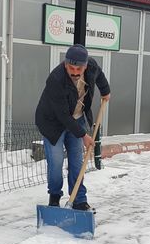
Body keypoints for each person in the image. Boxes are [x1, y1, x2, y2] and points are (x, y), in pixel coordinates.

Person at [35, 44, 111, 212]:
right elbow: (62, 115)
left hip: (77, 119)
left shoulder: (91, 66)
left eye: (79, 68)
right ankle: (54, 197)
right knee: (56, 163)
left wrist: (105, 91)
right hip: (53, 123)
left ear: (85, 65)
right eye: (71, 68)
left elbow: (100, 76)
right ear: (65, 64)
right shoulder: (56, 79)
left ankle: (78, 200)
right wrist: (84, 135)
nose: (75, 72)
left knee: (77, 162)